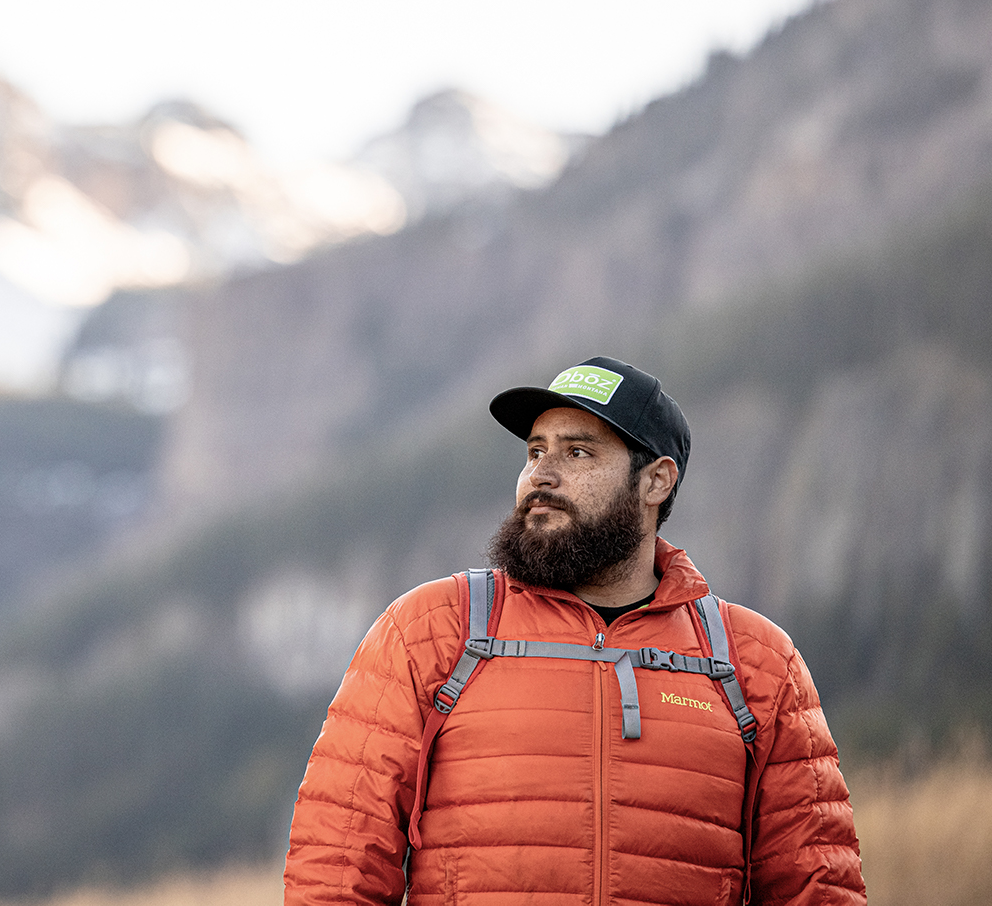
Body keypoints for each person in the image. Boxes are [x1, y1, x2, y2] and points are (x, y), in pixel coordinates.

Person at [284, 356, 865, 905]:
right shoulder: (433, 630)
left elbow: (816, 888)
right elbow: (337, 868)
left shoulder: (755, 662)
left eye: (579, 453)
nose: (542, 475)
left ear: (656, 482)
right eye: (535, 451)